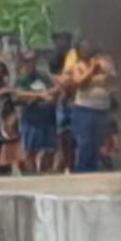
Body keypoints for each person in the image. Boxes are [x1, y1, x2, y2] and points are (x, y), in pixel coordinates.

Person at [62, 40, 116, 174]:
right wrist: (92, 71)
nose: (87, 50)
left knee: (97, 143)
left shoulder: (104, 61)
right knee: (85, 143)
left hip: (102, 109)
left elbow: (112, 77)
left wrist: (99, 70)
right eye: (83, 48)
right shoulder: (78, 66)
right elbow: (79, 83)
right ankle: (84, 171)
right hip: (84, 109)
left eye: (89, 47)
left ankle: (93, 170)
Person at [14, 53, 59, 175]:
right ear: (23, 62)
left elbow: (55, 88)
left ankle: (45, 172)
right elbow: (18, 94)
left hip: (47, 117)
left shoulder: (43, 76)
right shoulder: (22, 79)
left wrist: (48, 93)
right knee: (30, 150)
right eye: (28, 61)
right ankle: (32, 174)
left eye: (33, 60)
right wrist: (38, 95)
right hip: (31, 119)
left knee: (50, 148)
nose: (31, 63)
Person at [49, 33, 76, 173]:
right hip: (62, 101)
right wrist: (62, 88)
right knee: (62, 135)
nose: (62, 42)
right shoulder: (54, 57)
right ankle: (63, 164)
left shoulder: (75, 56)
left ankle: (70, 164)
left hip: (74, 99)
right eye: (60, 39)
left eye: (65, 39)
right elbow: (55, 77)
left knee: (73, 135)